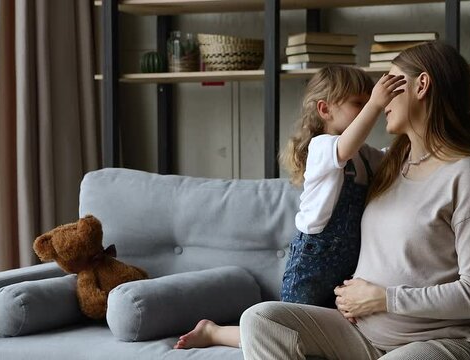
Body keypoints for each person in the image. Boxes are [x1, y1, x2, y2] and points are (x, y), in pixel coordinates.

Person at [237, 41, 470, 360]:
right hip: (365, 335)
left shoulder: (468, 174)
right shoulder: (386, 165)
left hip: (447, 339)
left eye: (389, 84)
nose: (379, 102)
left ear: (421, 85)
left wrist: (382, 299)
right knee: (261, 320)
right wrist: (350, 294)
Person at [173, 65, 405, 350]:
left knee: (324, 336)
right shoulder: (324, 148)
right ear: (325, 109)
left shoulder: (365, 156)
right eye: (359, 102)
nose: (369, 108)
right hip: (312, 261)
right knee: (283, 332)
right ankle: (213, 332)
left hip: (346, 265)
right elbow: (343, 148)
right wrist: (376, 103)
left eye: (368, 101)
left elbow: (392, 159)